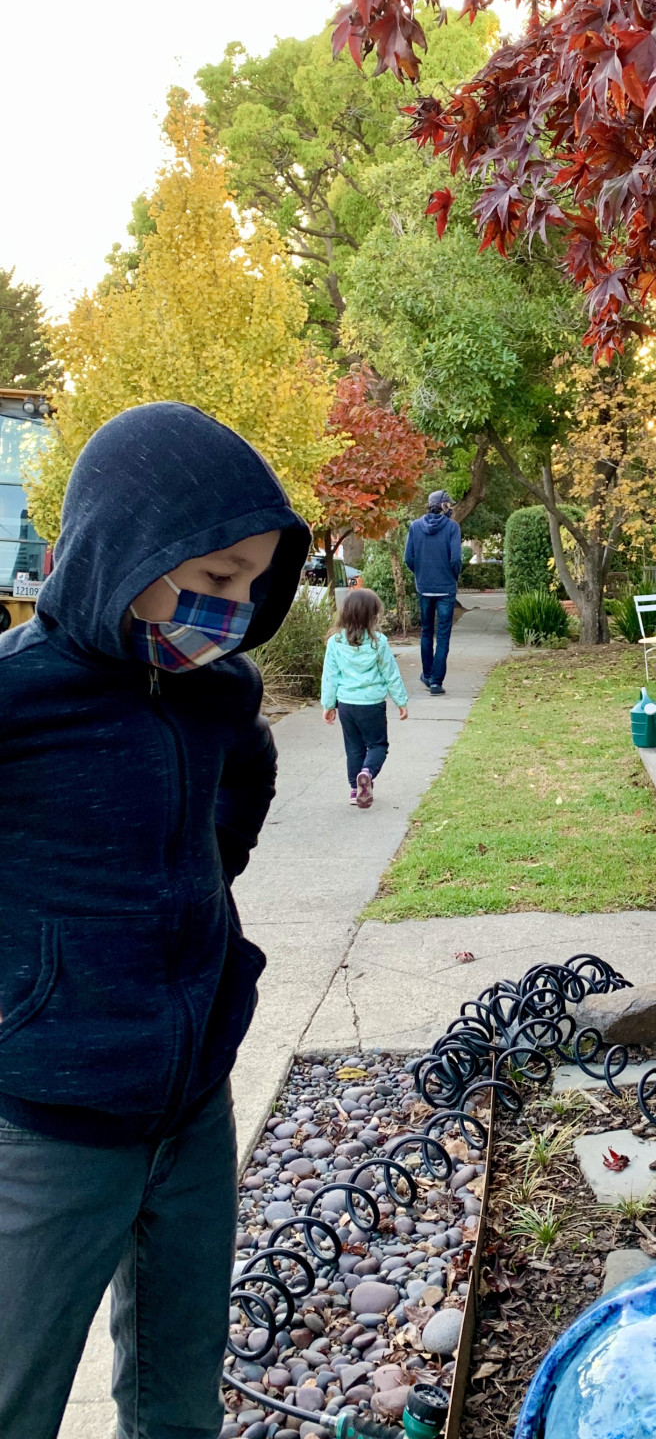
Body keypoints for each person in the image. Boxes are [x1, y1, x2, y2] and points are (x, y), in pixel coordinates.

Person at [0, 402, 310, 1439]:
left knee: (180, 1398)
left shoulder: (218, 690)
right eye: (218, 576)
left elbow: (247, 777)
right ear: (123, 548)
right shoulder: (16, 700)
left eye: (255, 583)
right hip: (51, 1126)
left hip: (194, 1107)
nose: (237, 606)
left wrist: (204, 883)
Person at [321, 587, 409, 807]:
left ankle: (355, 789)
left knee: (354, 748)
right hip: (371, 704)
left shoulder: (335, 642)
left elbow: (330, 676)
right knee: (378, 745)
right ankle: (367, 774)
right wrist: (401, 701)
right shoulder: (378, 642)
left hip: (346, 704)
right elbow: (390, 673)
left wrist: (328, 705)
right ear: (372, 615)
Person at [404, 488, 462, 695]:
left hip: (424, 587)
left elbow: (409, 558)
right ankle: (436, 682)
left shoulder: (415, 527)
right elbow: (456, 559)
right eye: (450, 504)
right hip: (446, 588)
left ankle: (427, 675)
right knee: (443, 635)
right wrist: (453, 576)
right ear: (444, 506)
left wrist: (421, 574)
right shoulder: (452, 527)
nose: (451, 508)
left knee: (426, 632)